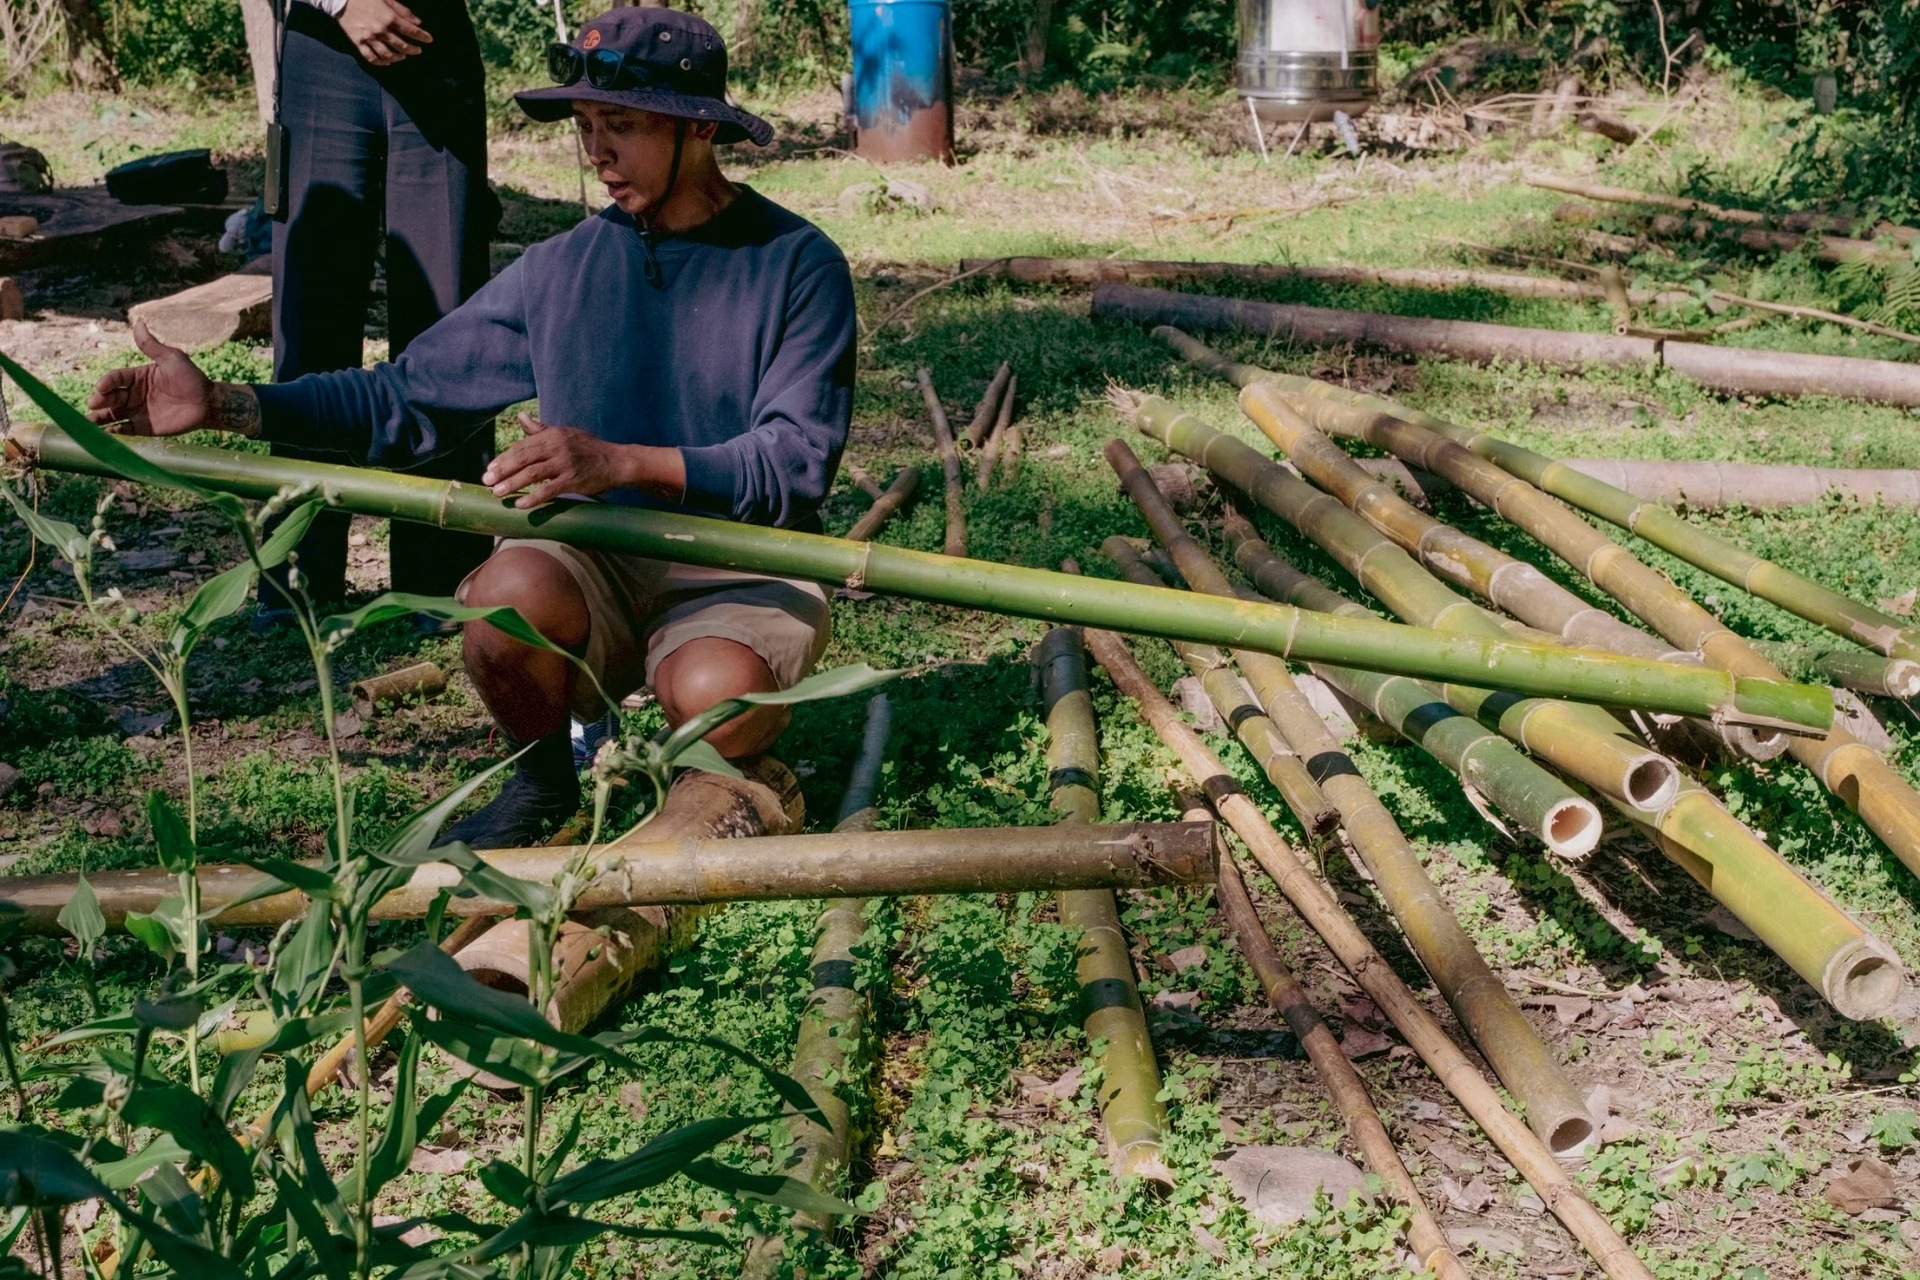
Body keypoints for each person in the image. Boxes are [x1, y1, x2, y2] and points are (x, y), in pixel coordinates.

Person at [88, 6, 856, 849]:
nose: (596, 152)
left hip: (741, 559)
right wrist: (229, 404)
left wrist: (619, 461)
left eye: (622, 125)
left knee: (713, 699)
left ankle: (706, 769)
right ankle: (545, 781)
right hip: (594, 549)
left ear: (701, 128)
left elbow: (794, 461)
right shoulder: (563, 267)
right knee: (502, 596)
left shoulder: (797, 263)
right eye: (585, 125)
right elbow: (405, 396)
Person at [263, 0, 497, 625]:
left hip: (437, 43)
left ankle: (443, 577)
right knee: (311, 318)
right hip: (323, 49)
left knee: (447, 322)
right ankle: (297, 578)